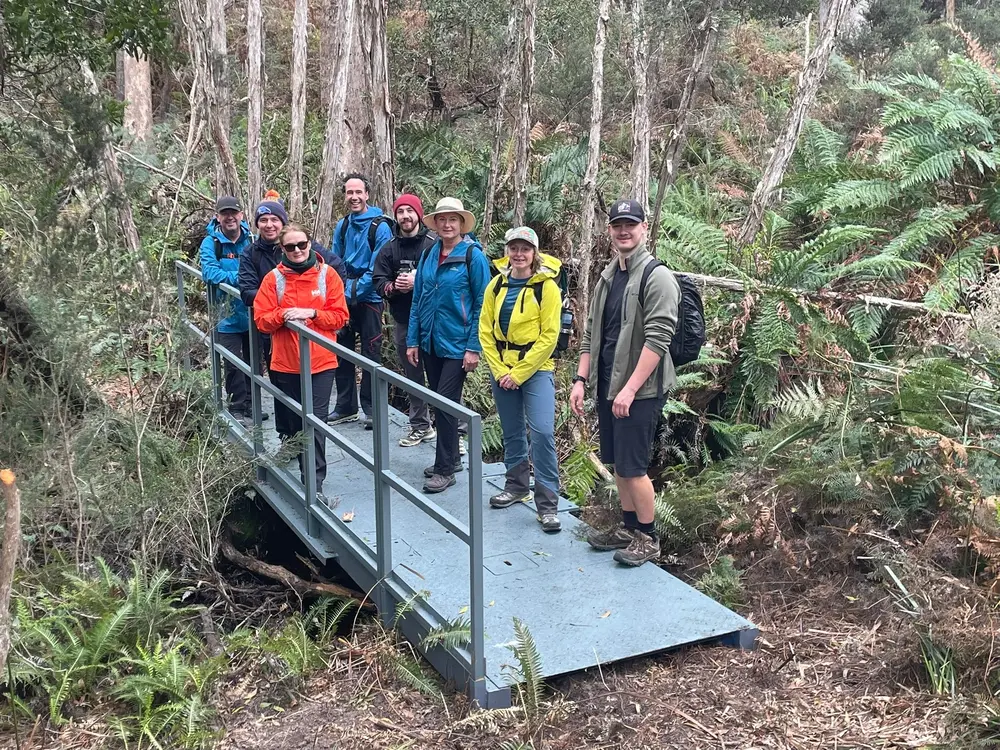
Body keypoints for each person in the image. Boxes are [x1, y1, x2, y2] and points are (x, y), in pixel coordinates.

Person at [569, 199, 680, 567]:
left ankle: (648, 538)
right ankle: (629, 527)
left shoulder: (656, 276)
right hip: (608, 385)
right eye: (617, 224)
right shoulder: (608, 276)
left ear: (644, 228)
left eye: (631, 224)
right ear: (610, 230)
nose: (623, 230)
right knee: (617, 465)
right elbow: (590, 334)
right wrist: (581, 379)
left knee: (633, 468)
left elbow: (657, 339)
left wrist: (631, 389)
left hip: (640, 390)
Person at [253, 224, 349, 501]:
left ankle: (313, 483)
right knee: (295, 421)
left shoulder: (327, 275)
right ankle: (295, 455)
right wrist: (284, 315)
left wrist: (312, 313)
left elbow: (340, 317)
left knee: (314, 422)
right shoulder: (273, 279)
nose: (297, 251)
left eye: (302, 244)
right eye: (290, 247)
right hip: (285, 362)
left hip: (321, 362)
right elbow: (262, 319)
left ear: (310, 243)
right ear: (282, 249)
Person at [479, 227, 562, 532]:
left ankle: (548, 503)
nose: (519, 254)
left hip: (536, 369)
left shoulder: (547, 288)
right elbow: (485, 330)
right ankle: (516, 486)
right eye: (514, 248)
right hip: (502, 368)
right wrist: (501, 371)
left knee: (541, 432)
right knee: (512, 430)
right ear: (507, 252)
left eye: (525, 249)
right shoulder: (496, 285)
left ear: (534, 253)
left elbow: (549, 336)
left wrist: (519, 373)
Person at [406, 197, 491, 494]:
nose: (447, 224)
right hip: (430, 341)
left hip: (458, 344)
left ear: (461, 223)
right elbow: (419, 298)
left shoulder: (473, 256)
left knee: (444, 402)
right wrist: (413, 339)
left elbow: (483, 303)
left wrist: (473, 347)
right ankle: (452, 457)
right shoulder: (430, 253)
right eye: (442, 219)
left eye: (452, 219)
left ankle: (444, 469)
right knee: (441, 400)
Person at [238, 191, 343, 370]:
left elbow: (336, 268)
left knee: (315, 385)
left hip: (314, 331)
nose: (269, 225)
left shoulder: (302, 243)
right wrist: (281, 306)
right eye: (263, 220)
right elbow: (247, 292)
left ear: (282, 221)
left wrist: (312, 307)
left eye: (274, 220)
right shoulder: (251, 253)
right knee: (282, 388)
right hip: (276, 330)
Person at [372, 193, 438, 446]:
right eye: (401, 212)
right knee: (413, 375)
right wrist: (394, 287)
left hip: (434, 322)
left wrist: (417, 280)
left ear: (419, 214)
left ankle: (455, 430)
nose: (405, 216)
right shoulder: (389, 248)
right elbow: (378, 281)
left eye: (410, 211)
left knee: (443, 377)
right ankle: (421, 425)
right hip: (403, 320)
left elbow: (446, 279)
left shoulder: (433, 244)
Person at [328, 174, 393, 428]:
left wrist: (352, 291)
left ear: (367, 194)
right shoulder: (342, 225)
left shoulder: (381, 226)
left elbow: (379, 265)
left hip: (370, 297)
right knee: (341, 351)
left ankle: (372, 409)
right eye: (349, 192)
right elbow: (335, 261)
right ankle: (345, 407)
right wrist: (341, 292)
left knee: (371, 353)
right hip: (344, 295)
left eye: (358, 192)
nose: (354, 197)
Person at [199, 196, 254, 425]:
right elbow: (210, 274)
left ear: (241, 215)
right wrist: (241, 278)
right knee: (233, 364)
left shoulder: (251, 239)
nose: (230, 217)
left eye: (234, 213)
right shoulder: (211, 243)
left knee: (254, 364)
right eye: (225, 213)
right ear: (218, 217)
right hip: (225, 315)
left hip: (251, 312)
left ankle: (252, 404)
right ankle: (237, 408)